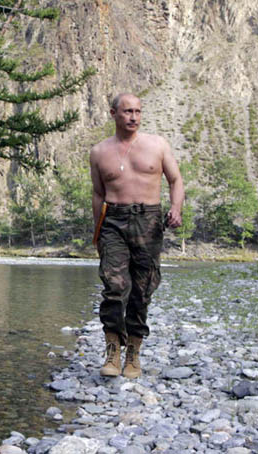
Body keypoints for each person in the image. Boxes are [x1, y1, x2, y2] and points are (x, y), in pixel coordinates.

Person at [89, 92, 184, 378]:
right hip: (113, 222)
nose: (133, 117)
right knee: (115, 287)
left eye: (138, 111)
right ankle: (112, 352)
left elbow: (175, 180)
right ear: (113, 113)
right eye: (128, 111)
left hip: (149, 220)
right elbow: (97, 194)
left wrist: (176, 207)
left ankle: (133, 353)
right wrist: (97, 235)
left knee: (142, 290)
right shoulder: (98, 152)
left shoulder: (157, 145)